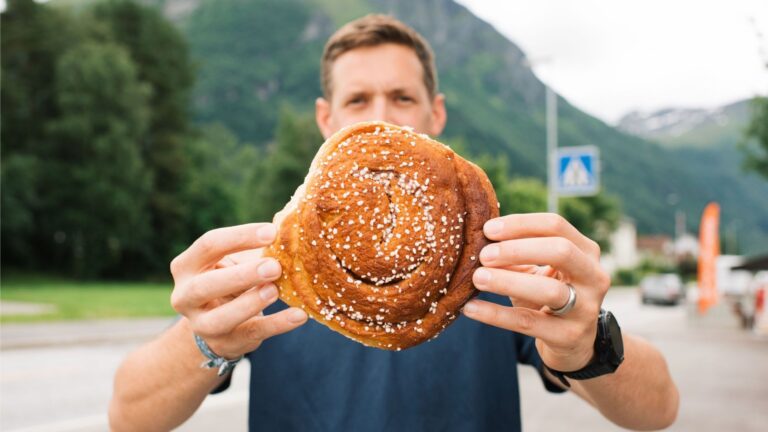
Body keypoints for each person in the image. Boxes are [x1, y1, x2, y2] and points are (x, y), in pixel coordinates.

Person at [109, 14, 678, 431]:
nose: (380, 119)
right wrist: (204, 340)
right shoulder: (271, 268)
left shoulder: (495, 265)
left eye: (402, 98)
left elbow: (659, 409)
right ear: (326, 120)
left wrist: (587, 341)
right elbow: (129, 416)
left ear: (436, 114)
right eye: (359, 101)